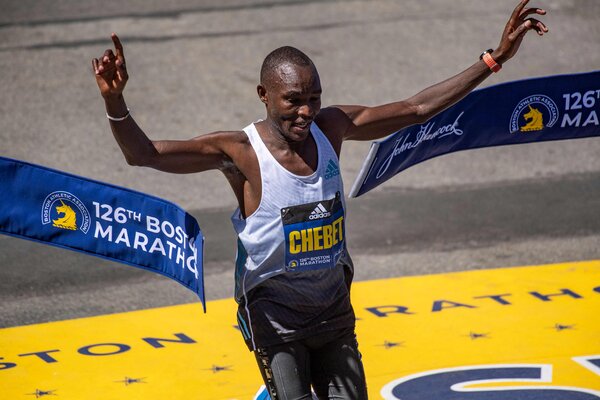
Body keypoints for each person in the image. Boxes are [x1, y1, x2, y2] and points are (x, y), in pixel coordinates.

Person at [92, 1, 547, 398]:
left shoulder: (331, 127)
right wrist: (116, 103)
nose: (306, 111)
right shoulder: (240, 153)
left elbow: (416, 108)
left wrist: (493, 60)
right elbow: (144, 155)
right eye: (293, 100)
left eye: (314, 98)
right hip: (274, 316)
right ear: (263, 96)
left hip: (332, 310)